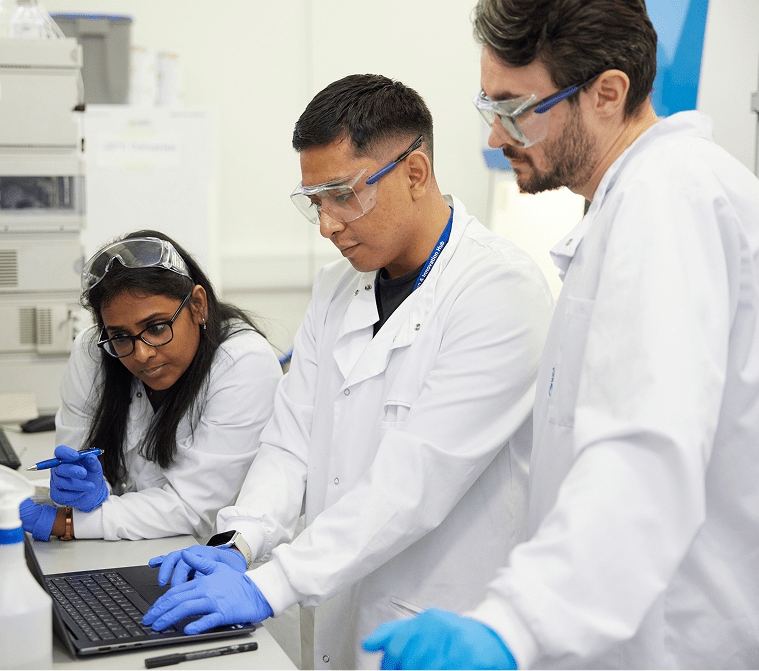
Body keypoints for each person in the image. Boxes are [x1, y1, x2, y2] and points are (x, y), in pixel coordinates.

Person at [363, 1, 759, 669]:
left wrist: (512, 626)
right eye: (487, 108)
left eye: (513, 109)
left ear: (606, 94)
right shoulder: (631, 202)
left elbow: (643, 451)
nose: (495, 138)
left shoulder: (669, 200)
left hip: (684, 643)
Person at [141, 74, 554, 670]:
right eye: (315, 201)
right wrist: (240, 540)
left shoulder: (499, 291)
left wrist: (270, 585)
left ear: (414, 174)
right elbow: (290, 441)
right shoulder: (337, 289)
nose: (328, 225)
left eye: (342, 195)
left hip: (438, 630)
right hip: (336, 612)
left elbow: (413, 483)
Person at [19, 230, 283, 542]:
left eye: (156, 328)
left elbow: (194, 508)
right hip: (124, 549)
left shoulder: (243, 362)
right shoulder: (95, 351)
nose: (142, 353)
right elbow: (76, 463)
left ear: (197, 306)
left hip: (212, 561)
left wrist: (66, 523)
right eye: (120, 336)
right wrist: (78, 492)